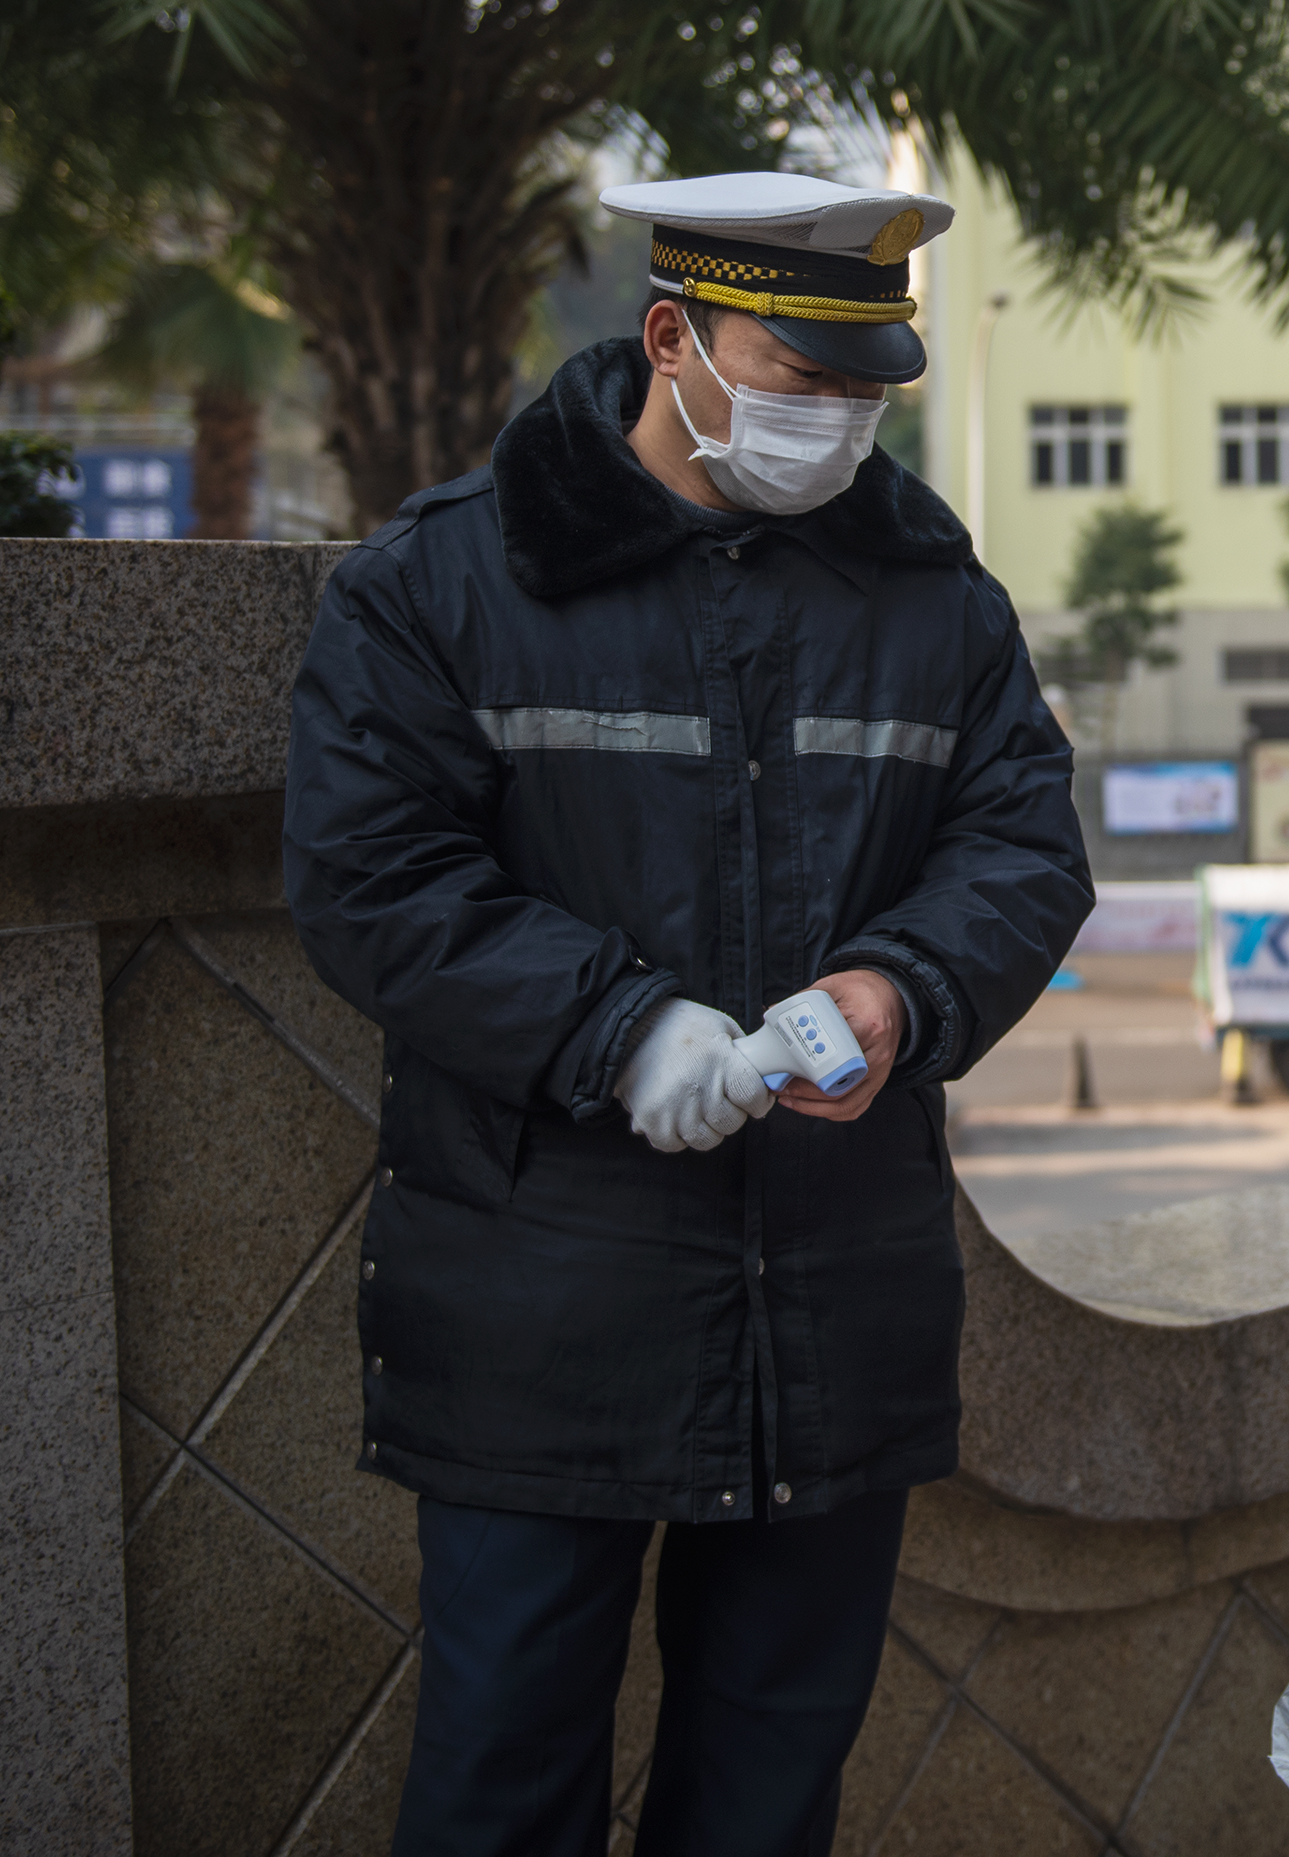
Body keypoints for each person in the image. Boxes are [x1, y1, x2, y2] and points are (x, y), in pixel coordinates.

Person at [284, 172, 1093, 1856]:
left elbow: (1020, 848)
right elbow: (372, 879)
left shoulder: (935, 604)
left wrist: (898, 991)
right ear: (674, 340)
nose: (842, 426)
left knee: (769, 1801)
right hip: (539, 1325)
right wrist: (620, 1029)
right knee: (503, 1784)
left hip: (834, 1312)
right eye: (803, 383)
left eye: (867, 392)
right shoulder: (443, 583)